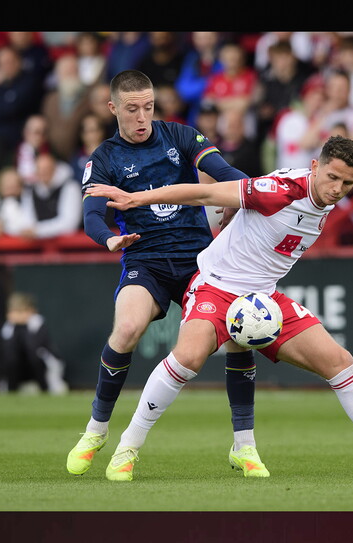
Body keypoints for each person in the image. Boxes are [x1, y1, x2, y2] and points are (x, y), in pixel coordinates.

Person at [85, 135, 353, 481]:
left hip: (263, 296)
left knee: (340, 362)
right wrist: (135, 200)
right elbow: (207, 192)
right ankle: (127, 448)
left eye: (347, 183)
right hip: (217, 286)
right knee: (188, 358)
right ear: (314, 166)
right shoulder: (280, 191)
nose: (336, 189)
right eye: (332, 177)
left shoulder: (328, 201)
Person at [67, 69, 262, 478]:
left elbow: (226, 174)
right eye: (133, 109)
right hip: (146, 260)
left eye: (149, 107)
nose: (142, 117)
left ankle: (244, 446)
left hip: (199, 261)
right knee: (126, 329)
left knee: (239, 333)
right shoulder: (103, 159)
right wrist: (109, 240)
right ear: (113, 108)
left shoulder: (181, 137)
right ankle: (96, 430)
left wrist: (246, 197)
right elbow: (91, 217)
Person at [0, 292, 69, 395]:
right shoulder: (8, 327)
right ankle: (12, 389)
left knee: (35, 356)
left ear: (31, 311)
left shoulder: (37, 323)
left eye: (21, 311)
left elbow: (33, 349)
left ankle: (46, 388)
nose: (18, 315)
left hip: (46, 368)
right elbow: (9, 353)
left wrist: (23, 327)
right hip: (23, 371)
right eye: (14, 311)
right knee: (10, 358)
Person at [0, 45, 44, 150]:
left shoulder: (30, 82)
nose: (7, 66)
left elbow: (13, 108)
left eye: (10, 62)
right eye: (3, 63)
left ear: (19, 62)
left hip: (20, 137)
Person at [41, 54, 93, 162]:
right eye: (65, 71)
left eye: (72, 70)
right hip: (55, 158)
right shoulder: (50, 99)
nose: (69, 74)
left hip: (82, 157)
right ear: (58, 75)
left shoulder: (90, 96)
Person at [20, 151, 81, 240]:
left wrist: (38, 231)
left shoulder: (70, 188)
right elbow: (27, 221)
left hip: (69, 247)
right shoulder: (30, 191)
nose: (43, 172)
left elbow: (69, 224)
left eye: (47, 169)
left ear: (55, 168)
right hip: (39, 247)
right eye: (40, 169)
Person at [15, 114, 51, 185]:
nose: (40, 137)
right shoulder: (15, 154)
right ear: (26, 132)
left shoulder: (51, 154)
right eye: (37, 132)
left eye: (44, 133)